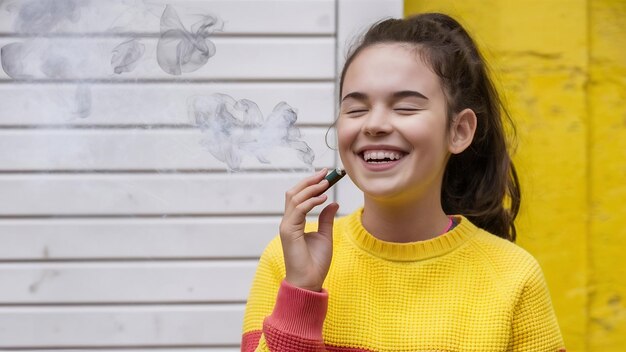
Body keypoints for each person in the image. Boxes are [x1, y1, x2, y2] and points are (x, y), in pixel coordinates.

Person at [241, 13, 565, 352]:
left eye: (406, 107)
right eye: (355, 110)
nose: (374, 124)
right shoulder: (287, 260)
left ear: (459, 131)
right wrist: (302, 293)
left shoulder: (515, 276)